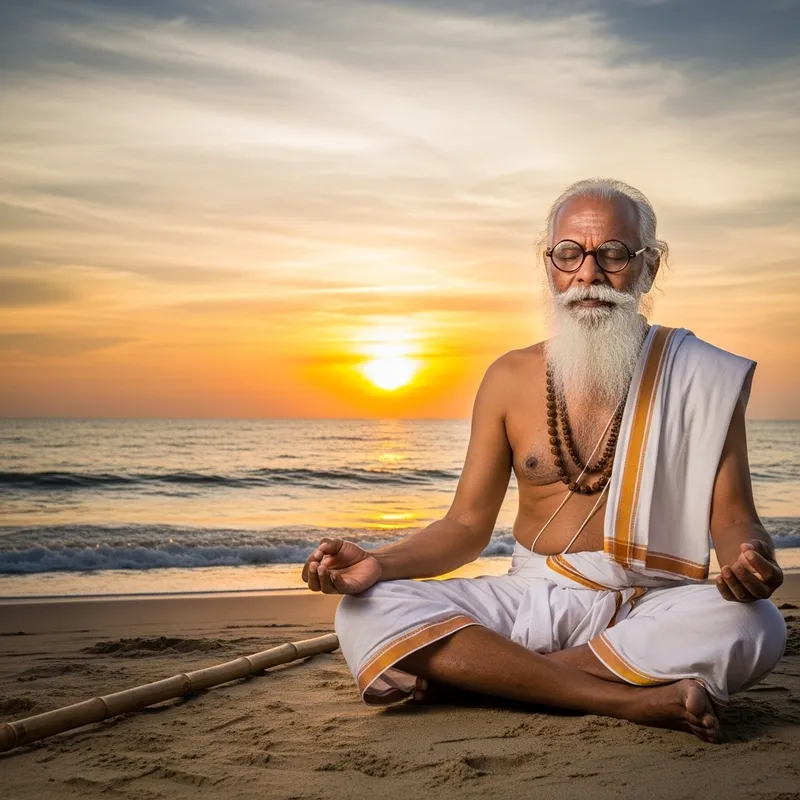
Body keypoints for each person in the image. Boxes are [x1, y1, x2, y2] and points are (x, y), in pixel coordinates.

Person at [300, 178, 786, 742]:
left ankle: (493, 677)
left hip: (648, 602)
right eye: (569, 254)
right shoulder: (508, 377)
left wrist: (748, 557)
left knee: (753, 624)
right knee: (367, 607)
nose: (588, 274)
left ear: (649, 268)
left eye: (613, 254)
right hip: (529, 593)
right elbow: (464, 528)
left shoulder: (700, 377)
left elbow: (731, 520)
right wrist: (379, 562)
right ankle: (623, 699)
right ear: (549, 265)